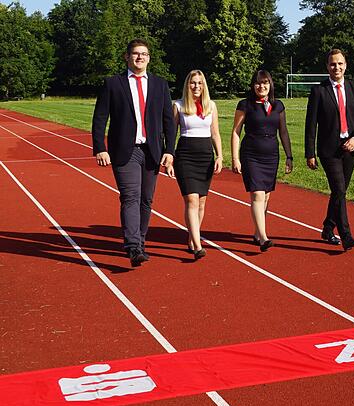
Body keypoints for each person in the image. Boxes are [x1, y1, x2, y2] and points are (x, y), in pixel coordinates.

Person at [92, 39, 176, 267]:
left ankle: (140, 241)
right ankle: (133, 247)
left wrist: (170, 151)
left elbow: (169, 121)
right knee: (130, 197)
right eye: (136, 54)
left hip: (152, 151)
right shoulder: (113, 84)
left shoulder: (160, 84)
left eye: (144, 54)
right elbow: (100, 118)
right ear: (126, 57)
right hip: (125, 151)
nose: (140, 57)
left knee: (146, 200)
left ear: (149, 58)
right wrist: (100, 147)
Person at [304, 48, 354, 251]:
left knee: (339, 192)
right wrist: (310, 153)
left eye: (340, 63)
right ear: (327, 67)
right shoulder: (319, 91)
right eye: (333, 64)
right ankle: (346, 235)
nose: (336, 67)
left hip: (350, 149)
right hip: (328, 150)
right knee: (339, 189)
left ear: (345, 65)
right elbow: (311, 124)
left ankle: (327, 227)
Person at [231, 70, 293, 252]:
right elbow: (236, 132)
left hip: (271, 155)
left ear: (270, 85)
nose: (261, 86)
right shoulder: (245, 105)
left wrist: (289, 156)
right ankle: (264, 237)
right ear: (253, 85)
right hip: (251, 154)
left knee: (266, 196)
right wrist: (235, 158)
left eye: (265, 83)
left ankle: (258, 233)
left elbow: (283, 132)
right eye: (258, 83)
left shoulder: (278, 106)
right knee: (257, 194)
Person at [172, 70, 223, 260]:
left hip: (205, 157)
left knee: (201, 201)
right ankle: (198, 244)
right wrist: (169, 156)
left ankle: (192, 236)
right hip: (185, 155)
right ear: (187, 84)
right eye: (193, 83)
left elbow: (215, 133)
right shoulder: (178, 105)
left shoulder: (211, 106)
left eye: (200, 83)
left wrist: (220, 156)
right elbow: (171, 134)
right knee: (191, 200)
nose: (196, 87)